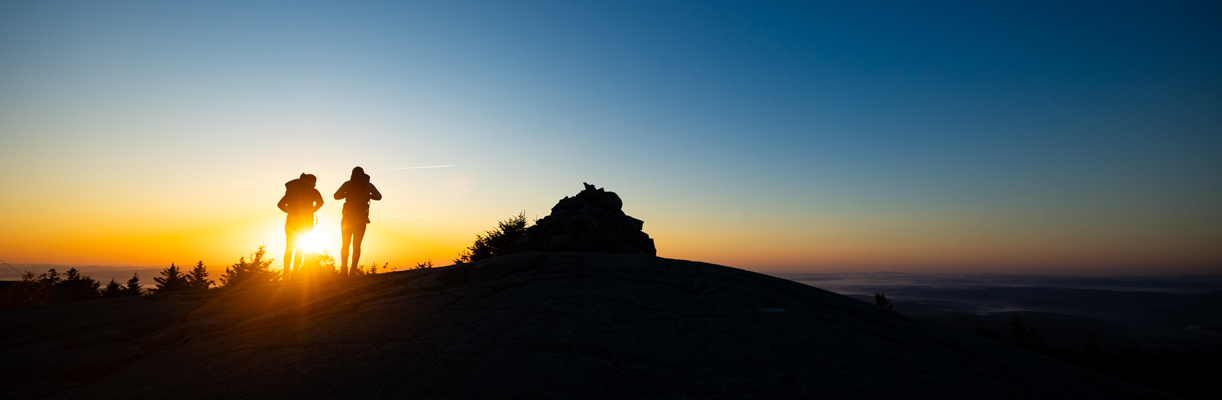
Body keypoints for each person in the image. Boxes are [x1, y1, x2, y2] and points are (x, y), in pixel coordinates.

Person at [334, 167, 382, 276]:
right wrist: (367, 195)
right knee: (357, 245)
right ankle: (353, 269)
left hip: (347, 218)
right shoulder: (368, 185)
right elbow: (379, 197)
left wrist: (347, 194)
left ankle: (344, 269)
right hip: (361, 219)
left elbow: (336, 196)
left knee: (345, 244)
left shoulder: (347, 184)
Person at [277, 173, 324, 279]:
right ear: (311, 182)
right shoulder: (313, 191)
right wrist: (312, 210)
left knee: (289, 248)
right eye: (314, 182)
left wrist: (291, 211)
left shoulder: (293, 191)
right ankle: (295, 274)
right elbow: (320, 202)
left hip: (291, 222)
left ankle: (286, 274)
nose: (315, 185)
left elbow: (280, 204)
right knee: (300, 248)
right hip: (306, 222)